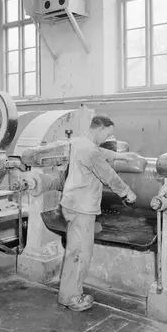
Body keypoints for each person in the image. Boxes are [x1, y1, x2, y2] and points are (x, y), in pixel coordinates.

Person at [59, 115, 137, 311]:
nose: (107, 138)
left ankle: (67, 294)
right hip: (82, 207)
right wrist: (127, 193)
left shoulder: (80, 142)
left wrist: (120, 156)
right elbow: (108, 175)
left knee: (74, 251)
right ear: (100, 129)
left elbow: (98, 152)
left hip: (72, 203)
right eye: (107, 134)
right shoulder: (90, 150)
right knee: (80, 254)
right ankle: (73, 298)